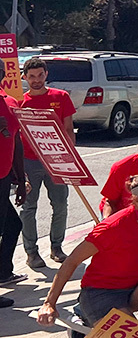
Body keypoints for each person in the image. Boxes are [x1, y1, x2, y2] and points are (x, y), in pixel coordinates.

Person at [36, 173, 138, 328]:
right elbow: (72, 261)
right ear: (137, 198)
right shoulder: (112, 227)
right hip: (101, 292)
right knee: (125, 329)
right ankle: (85, 316)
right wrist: (49, 303)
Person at [19, 57, 76, 267]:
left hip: (57, 160)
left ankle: (56, 247)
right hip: (29, 160)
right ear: (25, 77)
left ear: (46, 74)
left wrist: (71, 160)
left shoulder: (61, 97)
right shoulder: (19, 101)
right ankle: (31, 252)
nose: (36, 80)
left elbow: (68, 129)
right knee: (28, 207)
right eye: (31, 76)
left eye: (40, 75)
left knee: (60, 205)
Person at [0, 67, 27, 303]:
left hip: (4, 177)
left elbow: (16, 140)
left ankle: (3, 273)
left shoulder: (11, 103)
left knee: (11, 226)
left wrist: (20, 178)